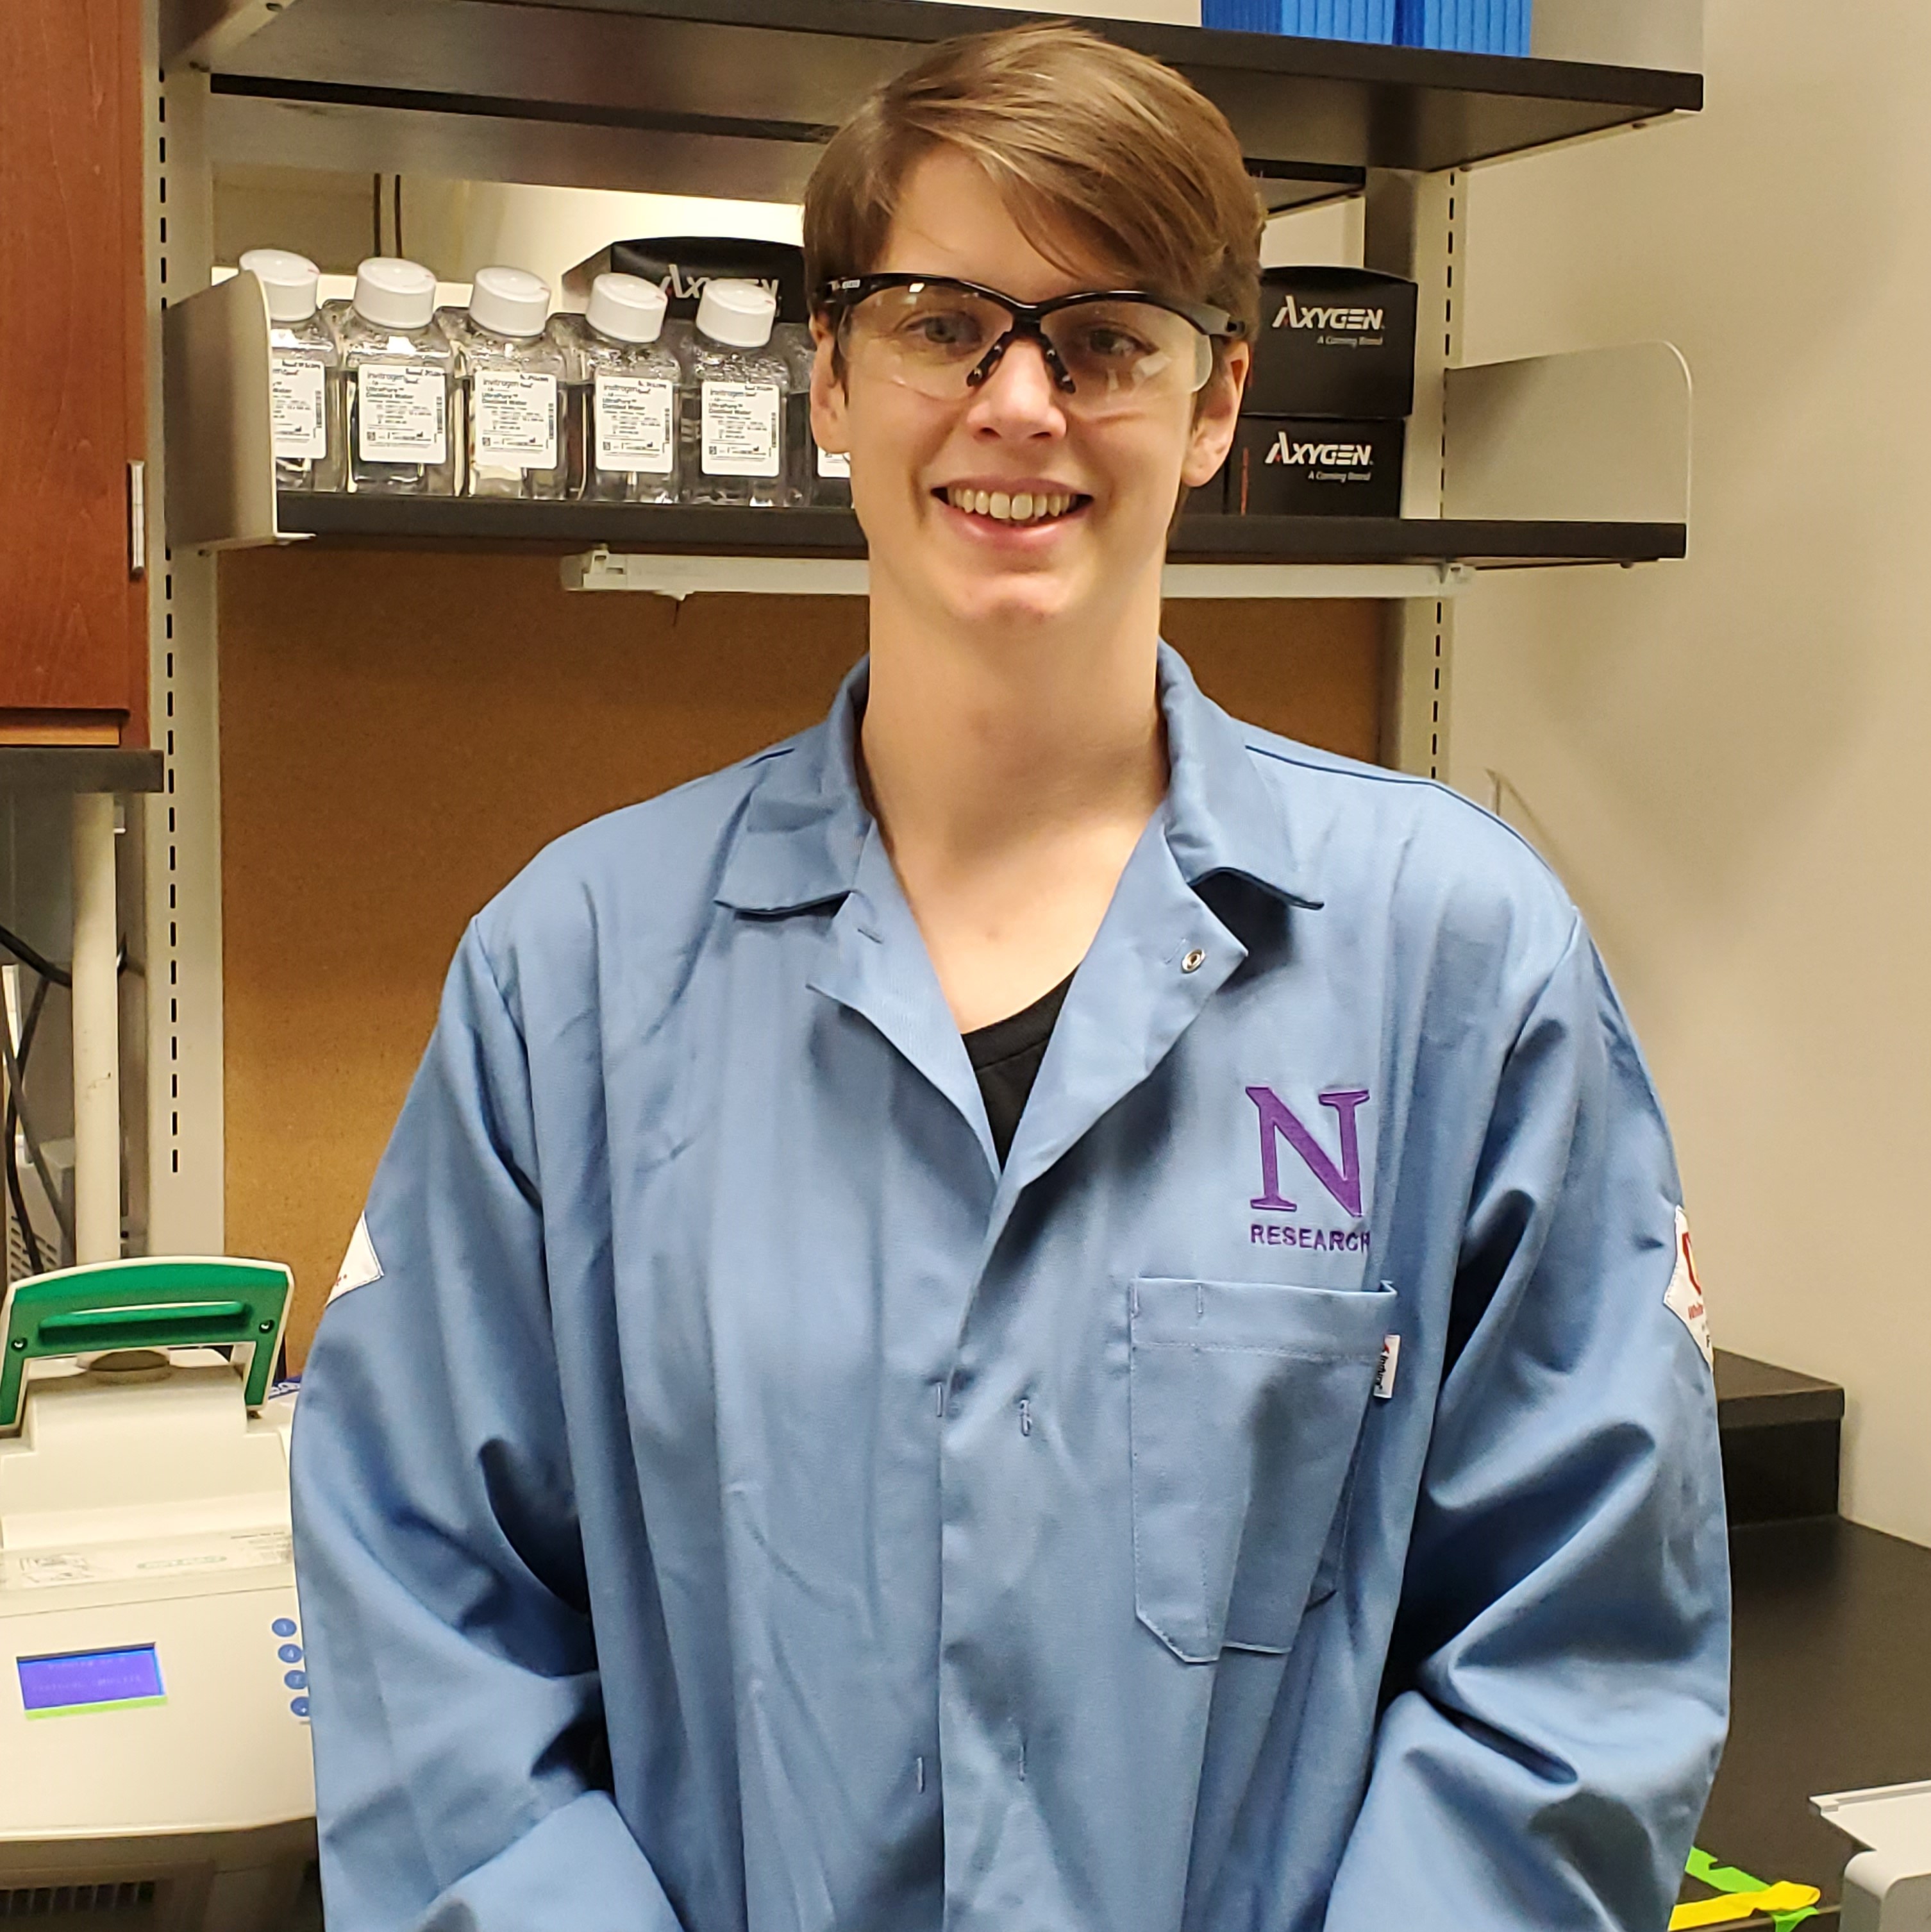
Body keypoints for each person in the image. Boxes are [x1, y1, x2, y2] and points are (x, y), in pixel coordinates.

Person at [290, 23, 1729, 1932]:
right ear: (828, 376)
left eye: (1107, 339)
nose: (1019, 404)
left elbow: (1575, 1667)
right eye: (941, 325)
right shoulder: (568, 979)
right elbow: (432, 1648)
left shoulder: (1460, 960)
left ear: (1216, 404)